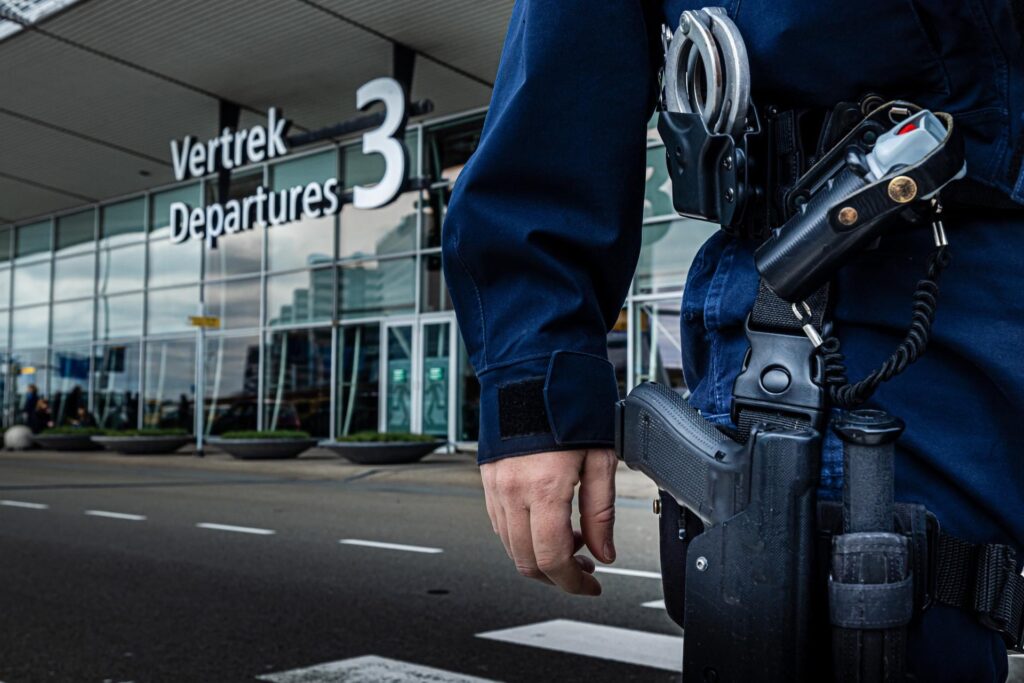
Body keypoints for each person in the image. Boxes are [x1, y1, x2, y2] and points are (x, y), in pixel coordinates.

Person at [441, 2, 1023, 681]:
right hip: (836, 285)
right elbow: (561, 77)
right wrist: (533, 397)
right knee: (891, 616)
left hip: (954, 272)